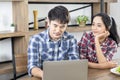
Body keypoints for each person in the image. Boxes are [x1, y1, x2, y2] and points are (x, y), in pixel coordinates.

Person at [27, 6, 79, 79]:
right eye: (55, 25)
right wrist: (44, 75)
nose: (58, 30)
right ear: (48, 22)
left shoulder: (71, 39)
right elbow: (32, 66)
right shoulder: (36, 40)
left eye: (62, 27)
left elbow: (75, 63)